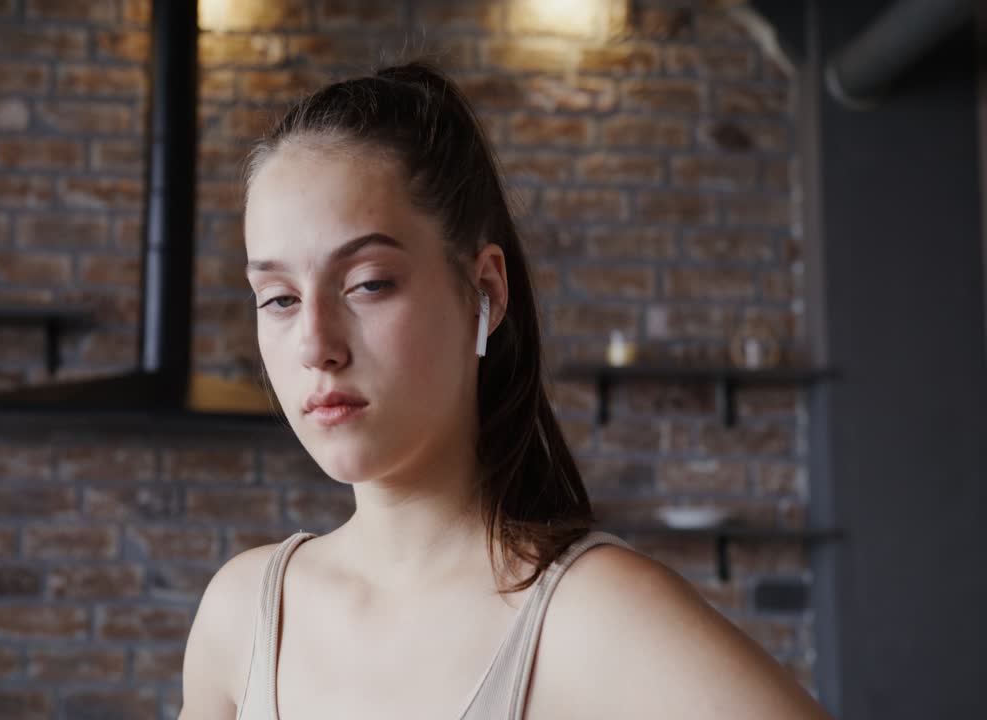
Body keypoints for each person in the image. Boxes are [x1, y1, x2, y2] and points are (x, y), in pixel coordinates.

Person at [179, 61, 832, 720]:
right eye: (281, 298)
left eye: (369, 283)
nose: (315, 344)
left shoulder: (591, 614)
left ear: (483, 291)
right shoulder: (242, 614)